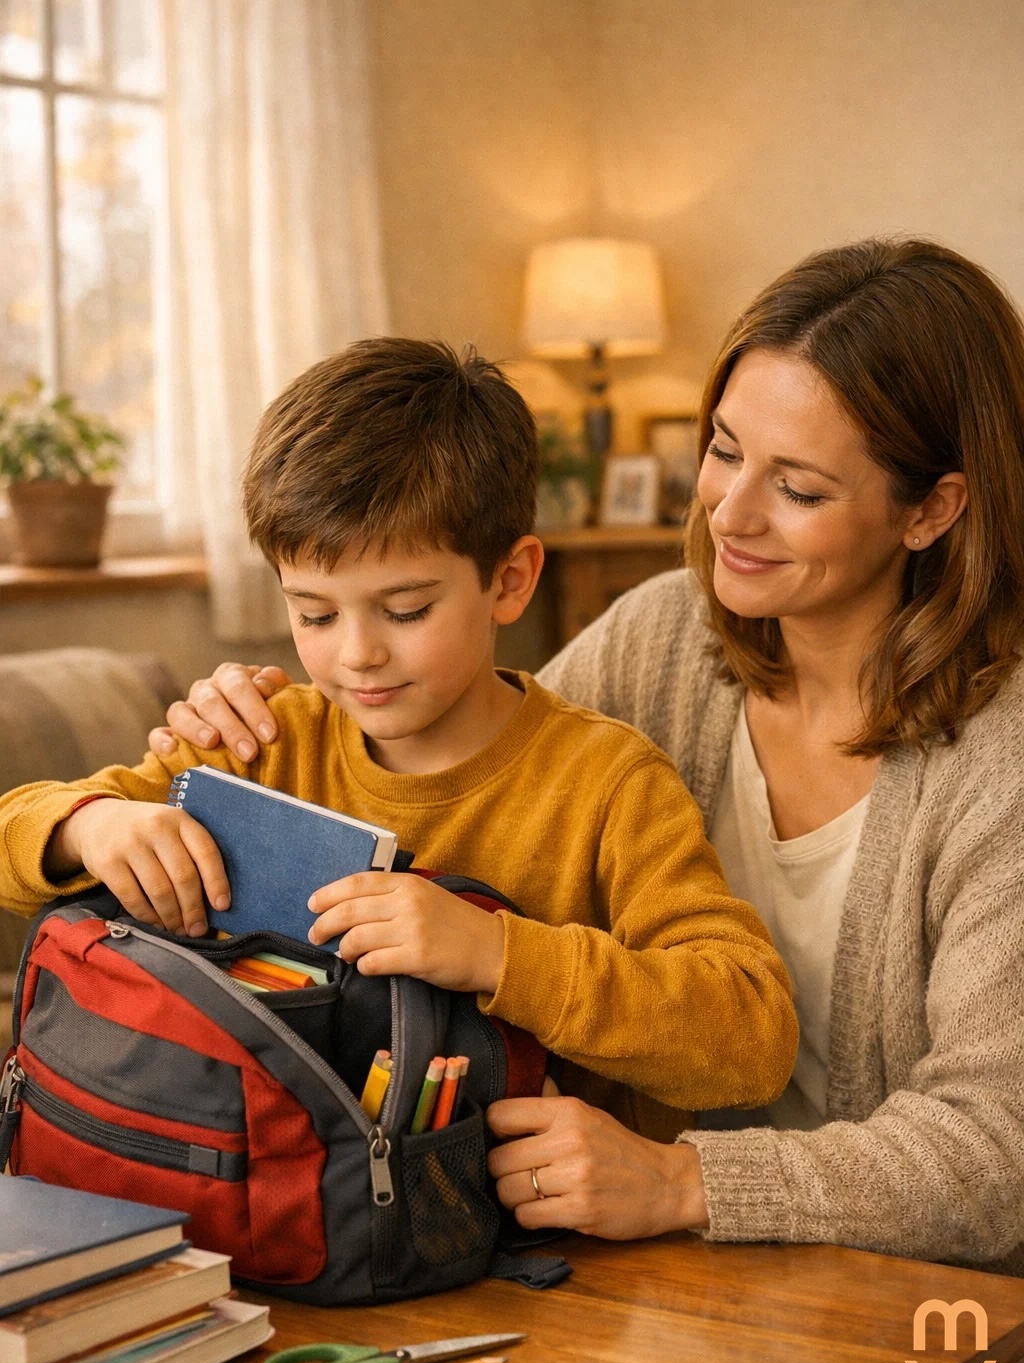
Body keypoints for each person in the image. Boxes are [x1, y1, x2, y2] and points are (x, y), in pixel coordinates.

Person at [155, 241, 1024, 1363]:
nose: (729, 516)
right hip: (638, 1292)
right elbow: (469, 791)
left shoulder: (1000, 757)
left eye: (795, 485)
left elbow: (995, 1153)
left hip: (933, 1343)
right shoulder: (666, 633)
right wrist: (236, 738)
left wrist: (682, 1186)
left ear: (932, 508)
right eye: (724, 451)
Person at [0, 337, 798, 1142]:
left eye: (406, 610)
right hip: (274, 1221)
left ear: (511, 580)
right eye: (313, 613)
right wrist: (90, 826)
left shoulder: (609, 782)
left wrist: (496, 955)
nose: (356, 654)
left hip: (537, 1240)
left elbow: (750, 1040)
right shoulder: (260, 740)